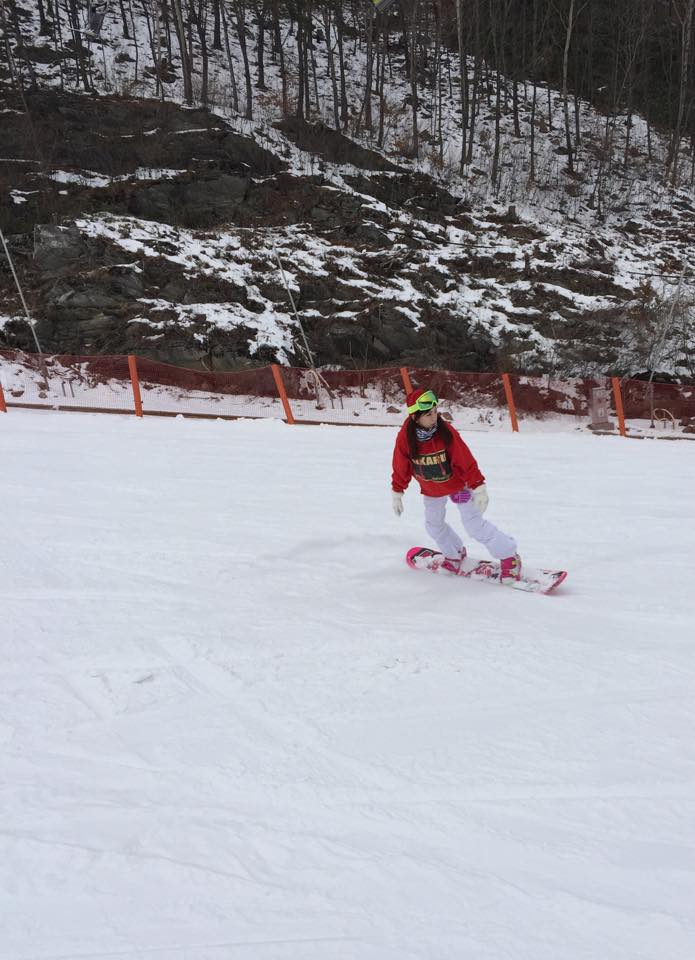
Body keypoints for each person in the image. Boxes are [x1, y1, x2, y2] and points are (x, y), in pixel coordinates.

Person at [391, 387, 522, 582]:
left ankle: (510, 558)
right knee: (433, 525)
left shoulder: (446, 433)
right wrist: (397, 491)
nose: (434, 417)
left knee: (474, 525)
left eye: (435, 412)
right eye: (429, 414)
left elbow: (465, 460)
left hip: (458, 489)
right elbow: (401, 465)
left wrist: (478, 486)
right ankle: (454, 554)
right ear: (415, 417)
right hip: (432, 491)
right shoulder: (406, 438)